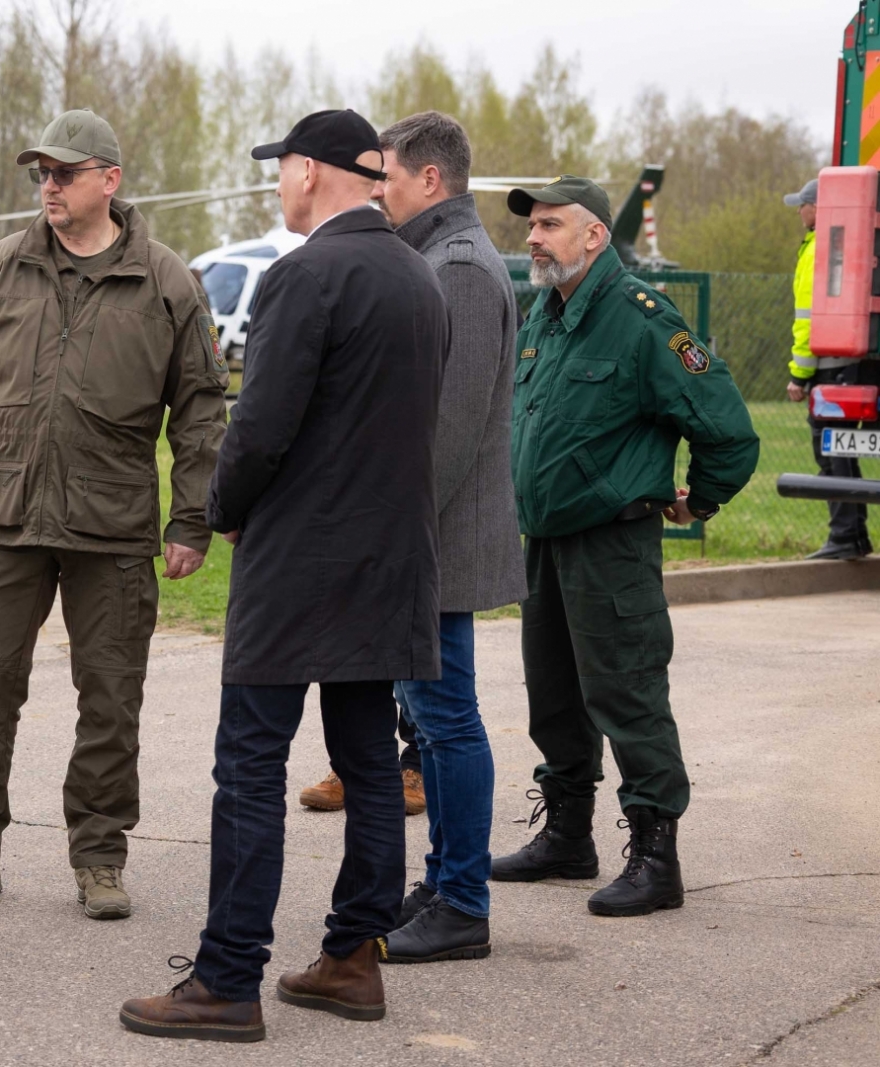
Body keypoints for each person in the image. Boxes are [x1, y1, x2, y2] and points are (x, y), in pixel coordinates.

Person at [120, 109, 447, 1042]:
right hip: (388, 561)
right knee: (370, 764)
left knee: (251, 767)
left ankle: (227, 978)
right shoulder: (419, 278)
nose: (277, 185)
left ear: (310, 170)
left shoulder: (306, 274)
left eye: (282, 168)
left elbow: (259, 427)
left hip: (300, 562)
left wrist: (221, 506)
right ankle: (353, 959)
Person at [0, 109, 228, 921]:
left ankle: (100, 857)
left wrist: (191, 519)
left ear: (109, 180)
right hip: (8, 517)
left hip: (112, 525)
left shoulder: (165, 281)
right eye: (41, 174)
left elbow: (201, 410)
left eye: (64, 173)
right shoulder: (0, 268)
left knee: (111, 702)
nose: (48, 186)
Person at [494, 176, 759, 916]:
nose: (533, 238)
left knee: (627, 693)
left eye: (550, 225)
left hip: (612, 543)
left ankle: (655, 857)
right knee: (552, 695)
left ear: (595, 235)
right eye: (532, 226)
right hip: (545, 540)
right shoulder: (544, 315)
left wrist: (700, 499)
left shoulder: (643, 319)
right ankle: (566, 837)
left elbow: (729, 430)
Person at [363, 110, 527, 962]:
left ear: (431, 178)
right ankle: (443, 881)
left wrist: (395, 533)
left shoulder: (457, 266)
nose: (377, 190)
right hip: (430, 535)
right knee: (431, 721)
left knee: (446, 718)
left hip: (438, 539)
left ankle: (462, 899)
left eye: (387, 175)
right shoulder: (438, 256)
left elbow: (449, 431)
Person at [784, 178, 874, 559]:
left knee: (833, 451)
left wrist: (799, 374)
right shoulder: (851, 242)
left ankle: (847, 536)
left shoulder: (819, 248)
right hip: (859, 366)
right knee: (842, 450)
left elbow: (808, 320)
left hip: (830, 367)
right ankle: (851, 535)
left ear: (818, 208)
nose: (799, 211)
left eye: (802, 205)